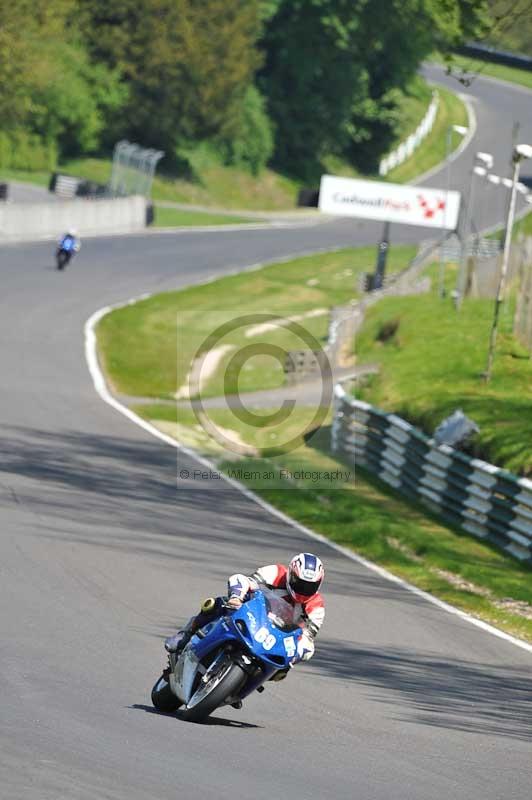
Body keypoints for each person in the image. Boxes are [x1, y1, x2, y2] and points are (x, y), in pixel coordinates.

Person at [164, 553, 325, 677]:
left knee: (289, 666)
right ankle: (185, 634)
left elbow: (308, 638)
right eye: (300, 583)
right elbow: (244, 580)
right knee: (215, 604)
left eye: (309, 586)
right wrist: (237, 597)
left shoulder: (316, 606)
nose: (303, 589)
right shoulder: (276, 572)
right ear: (291, 575)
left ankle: (242, 684)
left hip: (277, 637)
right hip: (253, 614)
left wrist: (296, 653)